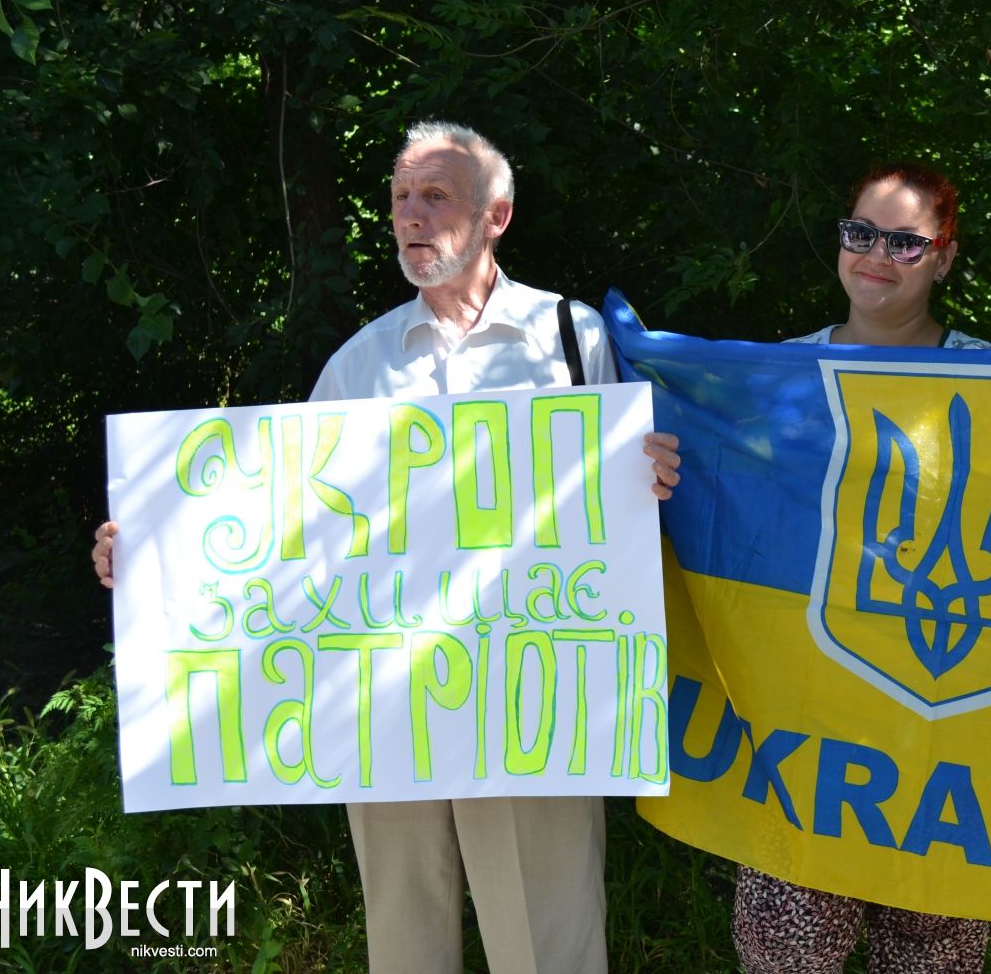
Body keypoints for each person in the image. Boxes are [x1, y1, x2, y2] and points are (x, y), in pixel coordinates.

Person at [92, 120, 682, 974]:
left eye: (434, 196)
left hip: (533, 705)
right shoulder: (357, 365)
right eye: (401, 196)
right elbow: (279, 527)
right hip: (383, 706)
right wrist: (151, 548)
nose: (409, 214)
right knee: (406, 943)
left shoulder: (572, 336)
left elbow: (625, 509)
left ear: (496, 216)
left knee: (546, 943)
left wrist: (648, 474)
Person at [730, 163, 991, 974]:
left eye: (905, 242)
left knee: (934, 955)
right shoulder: (773, 379)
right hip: (805, 727)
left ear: (944, 257)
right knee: (786, 953)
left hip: (945, 721)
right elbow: (726, 510)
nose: (877, 255)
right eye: (861, 233)